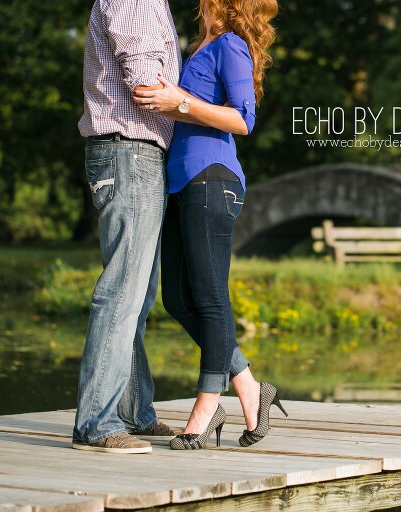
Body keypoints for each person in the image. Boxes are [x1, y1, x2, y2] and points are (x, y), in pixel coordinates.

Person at [131, 0, 284, 450]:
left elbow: (242, 119)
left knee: (211, 298)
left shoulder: (230, 46)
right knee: (177, 298)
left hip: (212, 179)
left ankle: (206, 405)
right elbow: (189, 112)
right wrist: (167, 103)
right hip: (180, 183)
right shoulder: (198, 46)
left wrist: (180, 99)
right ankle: (251, 387)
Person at [72, 0, 183, 454]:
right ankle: (95, 423)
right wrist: (198, 105)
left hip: (137, 154)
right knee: (122, 291)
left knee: (139, 294)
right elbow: (144, 84)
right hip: (130, 151)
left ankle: (135, 412)